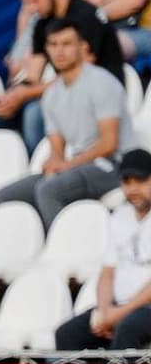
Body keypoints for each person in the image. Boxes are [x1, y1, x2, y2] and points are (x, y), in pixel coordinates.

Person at [0, 18, 133, 226]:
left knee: (49, 190)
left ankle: (62, 249)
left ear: (82, 47)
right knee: (3, 197)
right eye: (53, 45)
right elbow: (57, 147)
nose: (59, 51)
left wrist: (67, 164)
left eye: (66, 44)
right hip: (78, 165)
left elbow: (109, 144)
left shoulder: (102, 82)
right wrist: (54, 162)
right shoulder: (51, 94)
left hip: (115, 166)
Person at [0, 0, 123, 151]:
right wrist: (12, 96)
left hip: (97, 93)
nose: (32, 8)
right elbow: (33, 75)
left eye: (35, 0)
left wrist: (25, 94)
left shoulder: (86, 15)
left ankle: (47, 165)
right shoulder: (42, 24)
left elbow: (79, 74)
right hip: (64, 92)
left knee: (34, 114)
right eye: (27, 4)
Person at [55, 148, 151, 352]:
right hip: (119, 306)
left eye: (140, 181)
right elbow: (107, 272)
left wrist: (119, 314)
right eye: (127, 182)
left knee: (127, 329)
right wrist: (105, 311)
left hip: (142, 308)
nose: (133, 189)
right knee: (67, 334)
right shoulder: (120, 216)